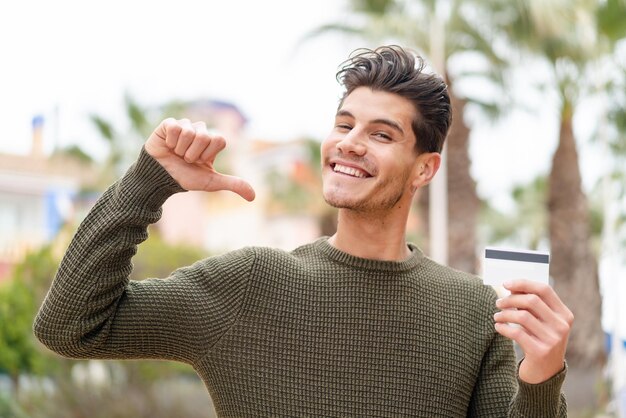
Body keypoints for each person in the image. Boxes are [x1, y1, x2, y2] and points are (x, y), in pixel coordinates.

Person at [34, 45, 572, 417]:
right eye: (344, 125)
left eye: (381, 134)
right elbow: (70, 326)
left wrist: (542, 373)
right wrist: (147, 185)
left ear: (425, 169)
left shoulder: (476, 312)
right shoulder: (251, 284)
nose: (350, 143)